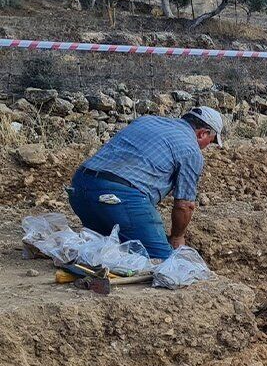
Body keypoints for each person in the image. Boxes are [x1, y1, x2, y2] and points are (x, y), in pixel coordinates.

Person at [68, 106, 223, 259]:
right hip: (119, 197)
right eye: (211, 141)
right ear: (202, 134)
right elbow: (184, 205)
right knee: (162, 262)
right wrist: (177, 237)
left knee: (109, 249)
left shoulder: (147, 120)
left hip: (79, 188)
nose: (207, 147)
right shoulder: (191, 150)